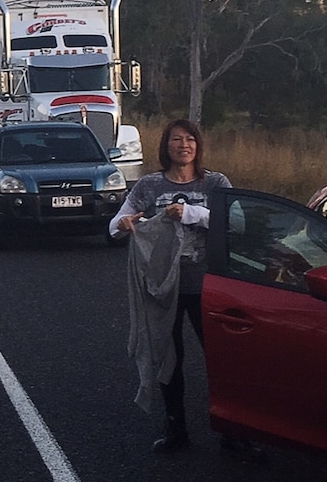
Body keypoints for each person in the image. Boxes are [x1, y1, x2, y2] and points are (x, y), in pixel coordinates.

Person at [108, 119, 265, 463]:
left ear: (198, 145)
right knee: (169, 357)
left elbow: (235, 224)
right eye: (176, 139)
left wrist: (190, 212)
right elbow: (116, 226)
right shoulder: (149, 186)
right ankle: (175, 428)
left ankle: (233, 431)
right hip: (164, 287)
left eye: (190, 139)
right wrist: (123, 223)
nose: (184, 145)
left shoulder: (216, 183)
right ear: (165, 146)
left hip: (208, 285)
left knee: (222, 358)